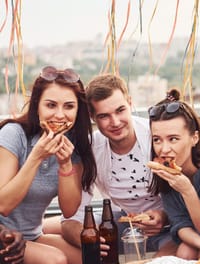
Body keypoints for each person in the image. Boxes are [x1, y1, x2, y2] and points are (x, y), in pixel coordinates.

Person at [0, 66, 97, 264]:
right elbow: (3, 205)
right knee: (56, 263)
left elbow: (69, 209)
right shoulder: (14, 135)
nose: (60, 115)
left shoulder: (75, 145)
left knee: (92, 260)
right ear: (37, 106)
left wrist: (65, 165)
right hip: (4, 235)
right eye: (51, 105)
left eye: (69, 106)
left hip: (32, 235)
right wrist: (36, 157)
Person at [60, 74, 169, 254]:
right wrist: (89, 242)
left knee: (167, 262)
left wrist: (165, 216)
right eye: (104, 116)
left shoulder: (156, 136)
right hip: (125, 224)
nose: (115, 122)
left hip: (169, 226)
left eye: (120, 110)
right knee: (51, 231)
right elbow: (71, 219)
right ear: (92, 116)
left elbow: (189, 194)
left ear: (130, 103)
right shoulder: (91, 149)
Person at [148, 88, 200, 259]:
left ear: (194, 138)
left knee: (197, 257)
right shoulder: (165, 168)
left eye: (173, 139)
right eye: (157, 139)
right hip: (199, 235)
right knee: (183, 252)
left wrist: (187, 191)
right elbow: (179, 224)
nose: (164, 150)